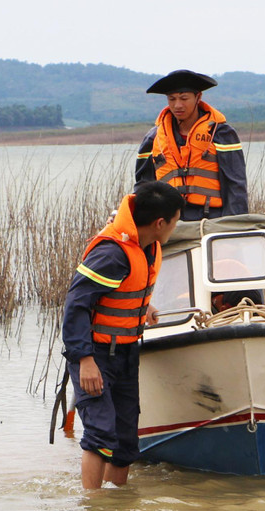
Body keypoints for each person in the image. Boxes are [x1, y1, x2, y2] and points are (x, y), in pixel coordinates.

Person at [62, 180, 183, 489]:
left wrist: (144, 307)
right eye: (175, 220)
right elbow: (76, 306)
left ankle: (118, 507)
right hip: (97, 356)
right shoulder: (112, 253)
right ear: (160, 223)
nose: (175, 226)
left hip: (126, 353)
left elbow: (121, 290)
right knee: (101, 433)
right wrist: (85, 360)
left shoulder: (147, 247)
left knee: (126, 440)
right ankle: (93, 510)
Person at [134, 69, 247, 220]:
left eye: (184, 98)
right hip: (168, 222)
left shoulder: (221, 133)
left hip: (212, 219)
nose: (177, 105)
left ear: (198, 97)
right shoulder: (153, 138)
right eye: (172, 99)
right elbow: (143, 186)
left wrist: (234, 226)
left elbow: (235, 185)